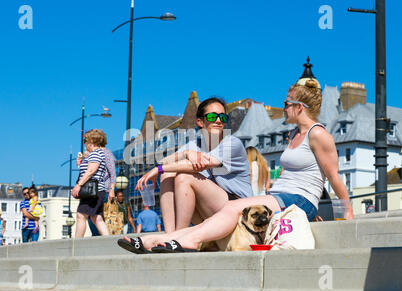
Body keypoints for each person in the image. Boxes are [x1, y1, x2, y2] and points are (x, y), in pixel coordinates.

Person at [118, 80, 354, 253]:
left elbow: (333, 177)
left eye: (286, 103)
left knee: (230, 209)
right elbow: (289, 174)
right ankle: (160, 239)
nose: (283, 107)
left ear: (299, 107)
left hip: (300, 199)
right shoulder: (293, 134)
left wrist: (347, 214)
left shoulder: (319, 134)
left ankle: (182, 241)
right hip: (280, 196)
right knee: (218, 205)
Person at [136, 97, 252, 234]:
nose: (219, 120)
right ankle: (170, 235)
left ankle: (179, 237)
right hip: (212, 208)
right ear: (200, 122)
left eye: (223, 117)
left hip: (238, 208)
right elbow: (165, 162)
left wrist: (158, 169)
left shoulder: (232, 143)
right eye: (212, 116)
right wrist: (186, 153)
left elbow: (203, 164)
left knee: (184, 177)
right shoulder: (195, 145)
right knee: (168, 174)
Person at [72, 129, 111, 238]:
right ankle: (109, 241)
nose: (84, 143)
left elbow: (91, 171)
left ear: (91, 141)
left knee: (80, 216)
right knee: (96, 218)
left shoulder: (95, 154)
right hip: (98, 190)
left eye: (85, 140)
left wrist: (78, 185)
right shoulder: (97, 154)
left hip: (93, 190)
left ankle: (77, 243)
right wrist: (80, 164)